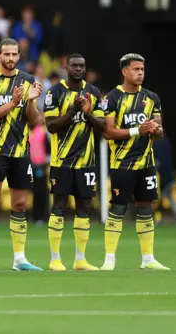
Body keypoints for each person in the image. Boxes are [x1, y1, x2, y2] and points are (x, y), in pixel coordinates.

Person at [0, 38, 43, 272]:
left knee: (20, 203)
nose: (11, 58)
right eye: (7, 54)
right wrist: (14, 103)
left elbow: (34, 120)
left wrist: (32, 101)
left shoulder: (27, 80)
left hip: (20, 152)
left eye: (15, 54)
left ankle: (19, 259)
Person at [101, 53, 168, 271]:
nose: (140, 73)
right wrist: (137, 130)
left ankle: (148, 259)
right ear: (124, 72)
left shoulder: (152, 98)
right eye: (136, 69)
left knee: (146, 207)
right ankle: (109, 259)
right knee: (118, 208)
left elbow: (160, 132)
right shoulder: (112, 98)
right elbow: (108, 132)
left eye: (142, 69)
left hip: (146, 163)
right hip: (121, 163)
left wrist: (155, 130)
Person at [43, 54, 105, 271]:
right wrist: (73, 111)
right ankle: (55, 258)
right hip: (62, 161)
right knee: (59, 207)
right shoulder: (55, 92)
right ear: (66, 67)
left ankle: (80, 259)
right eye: (75, 65)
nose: (79, 69)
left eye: (82, 66)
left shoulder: (94, 92)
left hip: (86, 162)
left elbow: (102, 126)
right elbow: (51, 126)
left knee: (84, 208)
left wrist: (87, 113)